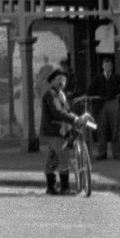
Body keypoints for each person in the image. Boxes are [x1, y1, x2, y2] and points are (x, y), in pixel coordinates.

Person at [88, 54, 120, 161]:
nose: (107, 67)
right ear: (102, 66)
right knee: (101, 128)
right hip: (102, 103)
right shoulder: (98, 78)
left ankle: (117, 153)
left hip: (113, 102)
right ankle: (102, 153)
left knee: (115, 128)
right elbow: (89, 90)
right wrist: (96, 97)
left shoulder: (116, 77)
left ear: (112, 66)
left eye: (109, 65)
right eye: (105, 65)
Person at [40, 65, 76, 193]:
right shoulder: (51, 94)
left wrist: (75, 118)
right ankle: (65, 188)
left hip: (58, 131)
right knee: (64, 156)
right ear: (53, 80)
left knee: (52, 158)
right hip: (54, 131)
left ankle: (50, 187)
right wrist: (74, 119)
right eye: (59, 79)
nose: (62, 82)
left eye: (64, 80)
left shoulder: (61, 94)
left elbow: (66, 111)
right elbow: (58, 112)